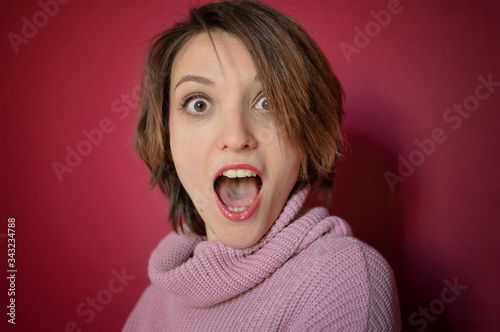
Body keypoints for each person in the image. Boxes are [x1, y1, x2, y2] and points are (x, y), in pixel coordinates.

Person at [124, 0, 401, 330]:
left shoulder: (341, 278)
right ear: (166, 135)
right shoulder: (153, 303)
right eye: (198, 103)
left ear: (307, 135)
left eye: (267, 102)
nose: (236, 136)